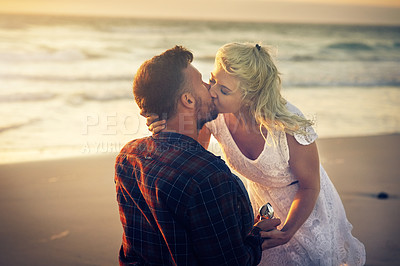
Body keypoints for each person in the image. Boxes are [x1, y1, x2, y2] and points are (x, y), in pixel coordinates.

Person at [147, 42, 366, 265]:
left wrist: (288, 231)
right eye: (212, 80)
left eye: (224, 90)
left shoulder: (287, 124)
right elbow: (192, 155)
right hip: (262, 205)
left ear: (251, 97)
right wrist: (164, 125)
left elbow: (310, 186)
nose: (211, 92)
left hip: (303, 208)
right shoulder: (214, 113)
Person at [114, 45, 281, 266]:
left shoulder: (128, 155)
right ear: (189, 100)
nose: (210, 89)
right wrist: (256, 236)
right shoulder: (210, 177)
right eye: (203, 82)